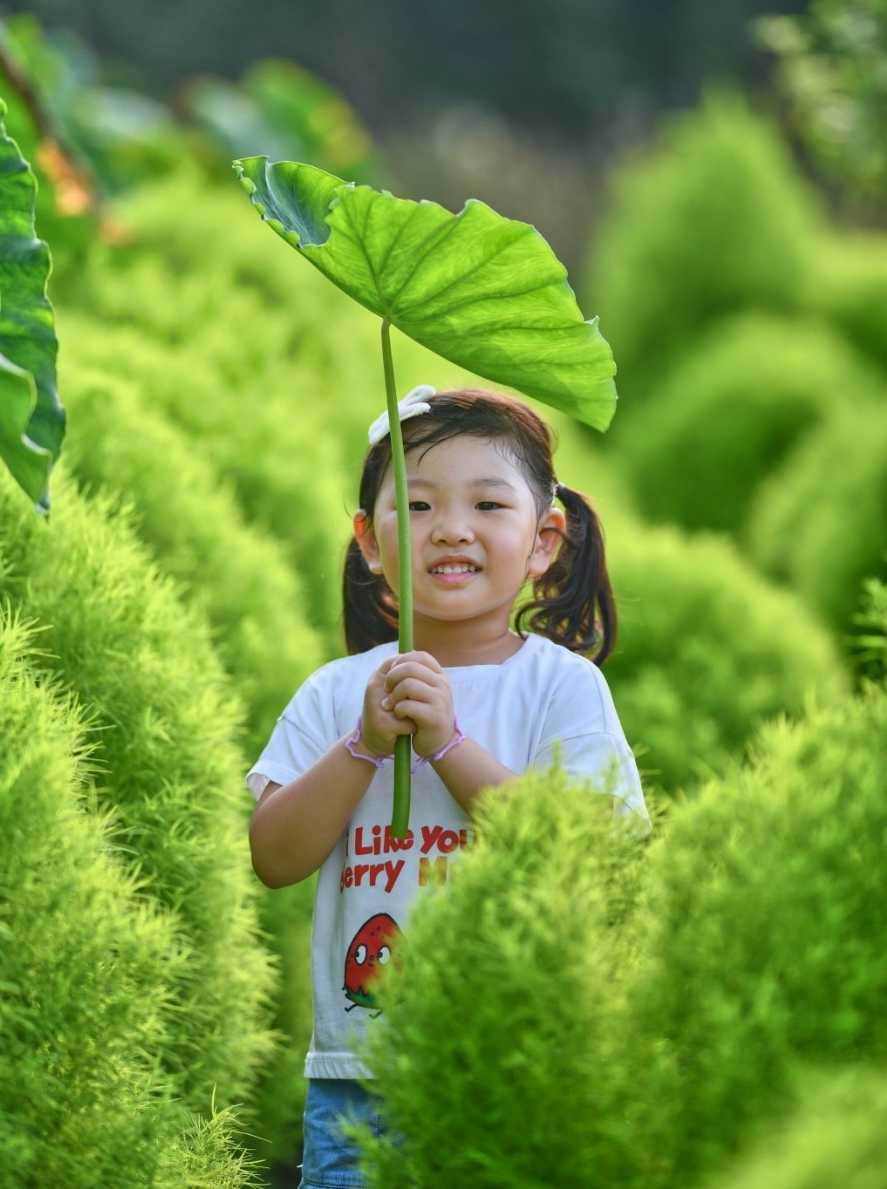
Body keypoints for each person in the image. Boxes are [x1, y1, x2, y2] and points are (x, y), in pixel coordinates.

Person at [247, 386, 649, 1189]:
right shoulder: (336, 693)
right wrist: (363, 745)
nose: (452, 527)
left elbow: (588, 848)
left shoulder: (560, 688)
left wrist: (450, 746)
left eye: (487, 503)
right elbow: (275, 854)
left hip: (516, 1056)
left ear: (543, 540)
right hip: (359, 1072)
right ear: (369, 540)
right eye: (419, 503)